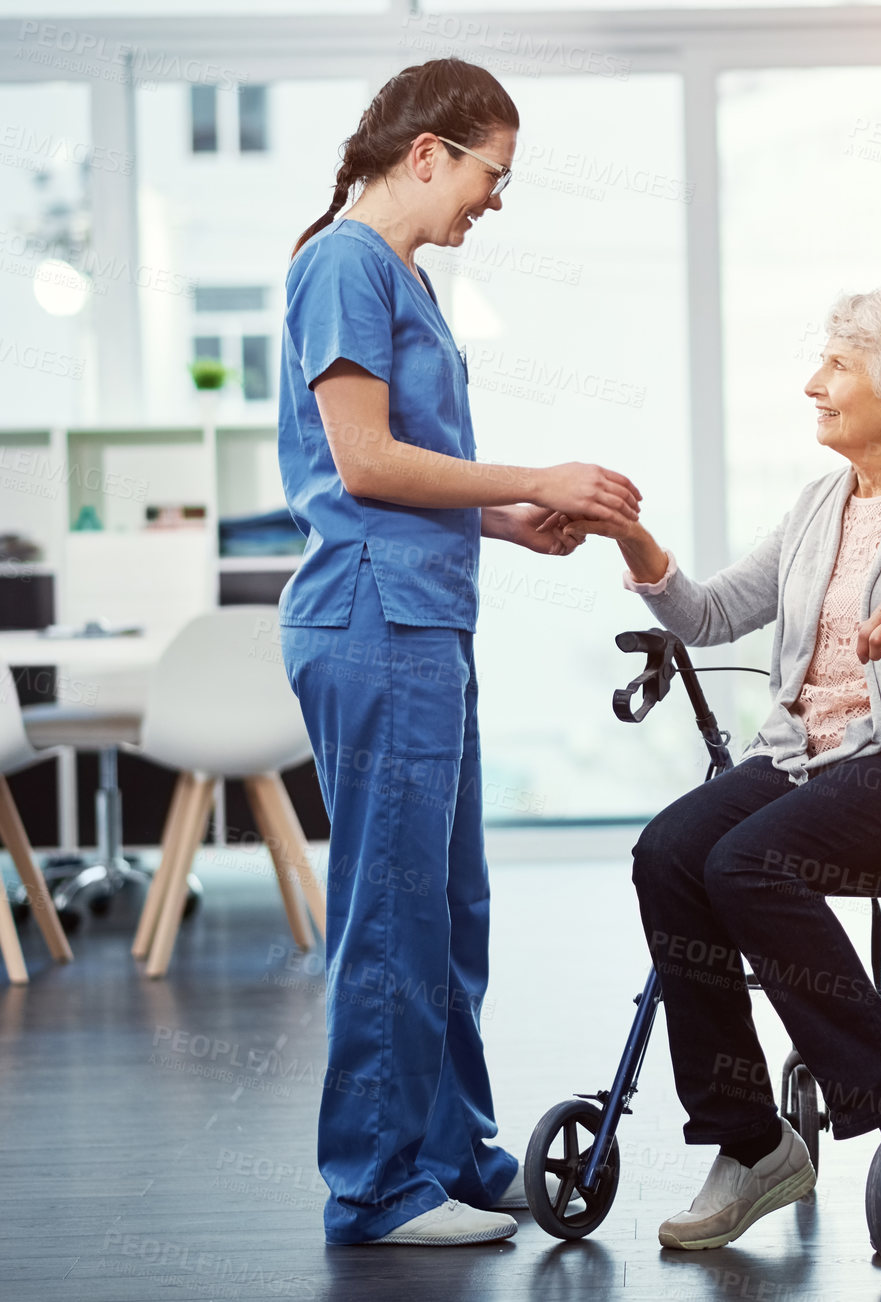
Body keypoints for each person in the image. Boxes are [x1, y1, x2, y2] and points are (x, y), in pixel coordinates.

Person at [568, 286, 881, 1250]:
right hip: (810, 763)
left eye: (836, 366)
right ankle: (751, 1143)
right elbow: (711, 615)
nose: (814, 385)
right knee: (670, 851)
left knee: (744, 862)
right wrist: (633, 540)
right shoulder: (817, 506)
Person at [277, 58, 639, 1247]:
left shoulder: (400, 275)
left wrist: (501, 517)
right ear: (427, 153)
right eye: (493, 174)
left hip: (426, 618)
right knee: (390, 912)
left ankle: (451, 1153)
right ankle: (376, 1190)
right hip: (374, 623)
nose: (495, 199)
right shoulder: (343, 262)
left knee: (447, 907)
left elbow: (402, 472)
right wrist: (533, 474)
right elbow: (366, 463)